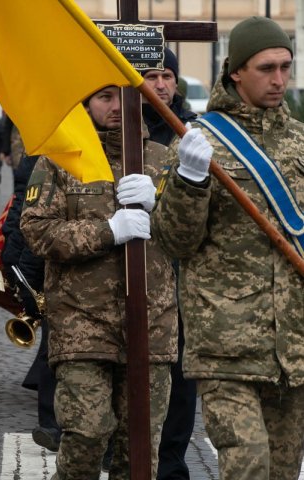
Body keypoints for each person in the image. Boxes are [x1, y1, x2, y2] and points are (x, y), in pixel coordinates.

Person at [151, 16, 304, 479]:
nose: (279, 80)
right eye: (266, 68)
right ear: (235, 71)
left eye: (285, 67)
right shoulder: (201, 141)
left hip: (293, 344)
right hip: (225, 341)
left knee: (282, 470)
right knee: (247, 466)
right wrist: (189, 181)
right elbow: (176, 240)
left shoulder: (299, 140)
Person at [20, 85, 177, 479]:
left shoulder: (163, 160)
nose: (116, 106)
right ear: (87, 103)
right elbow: (37, 231)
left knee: (139, 450)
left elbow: (190, 236)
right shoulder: (61, 159)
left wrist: (165, 206)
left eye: (123, 96)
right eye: (104, 96)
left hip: (151, 325)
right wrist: (107, 231)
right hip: (81, 323)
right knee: (86, 436)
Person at [141, 47, 198, 480]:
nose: (161, 84)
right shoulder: (116, 127)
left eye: (167, 76)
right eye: (151, 75)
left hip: (178, 276)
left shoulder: (192, 135)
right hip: (126, 273)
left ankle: (172, 460)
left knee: (180, 377)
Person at [1, 155, 61, 452]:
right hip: (54, 277)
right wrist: (17, 265)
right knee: (53, 351)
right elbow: (22, 214)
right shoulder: (41, 160)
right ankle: (51, 425)